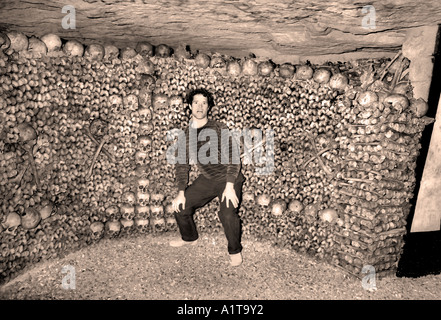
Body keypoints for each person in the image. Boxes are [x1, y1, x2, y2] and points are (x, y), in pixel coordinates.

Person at [169, 88, 245, 267]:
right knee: (181, 206)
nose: (200, 106)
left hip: (229, 178)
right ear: (190, 106)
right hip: (208, 179)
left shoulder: (219, 127)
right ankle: (190, 238)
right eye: (196, 102)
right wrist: (181, 192)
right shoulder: (185, 135)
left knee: (227, 213)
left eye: (204, 102)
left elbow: (234, 157)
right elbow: (182, 166)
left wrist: (229, 186)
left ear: (209, 106)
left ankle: (235, 250)